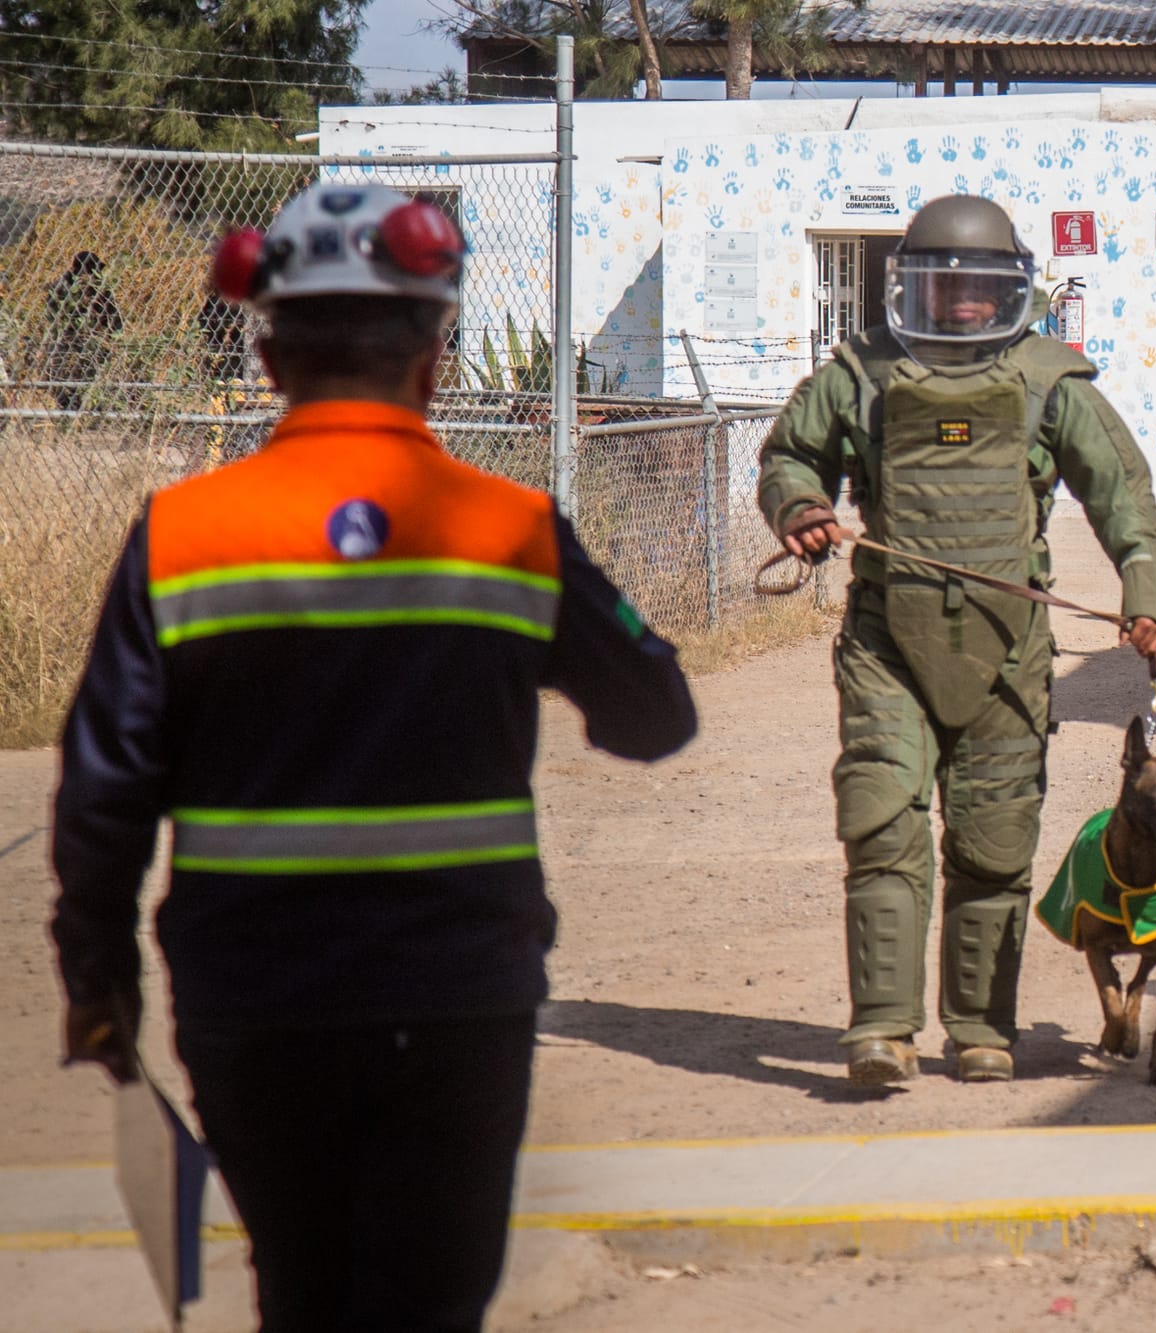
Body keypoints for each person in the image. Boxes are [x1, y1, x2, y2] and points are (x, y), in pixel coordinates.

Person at [50, 182, 697, 1330]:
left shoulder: (182, 536)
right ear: (433, 356)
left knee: (302, 1291)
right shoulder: (512, 533)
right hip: (457, 999)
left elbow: (105, 791)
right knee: (429, 1303)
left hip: (251, 1002)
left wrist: (97, 972)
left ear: (267, 356)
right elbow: (656, 717)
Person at [758, 194, 1156, 1086]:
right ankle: (880, 1029)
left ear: (1009, 290)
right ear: (909, 285)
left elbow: (1126, 501)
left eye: (976, 286)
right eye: (939, 283)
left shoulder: (1047, 378)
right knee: (881, 824)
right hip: (885, 637)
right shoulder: (859, 372)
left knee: (995, 842)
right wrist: (800, 506)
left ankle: (983, 1032)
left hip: (1008, 641)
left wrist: (1148, 598)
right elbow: (791, 454)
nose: (958, 300)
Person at [45, 249, 123, 411]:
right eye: (89, 271)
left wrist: (111, 337)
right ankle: (68, 404)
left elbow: (113, 317)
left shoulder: (100, 289)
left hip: (92, 341)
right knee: (63, 373)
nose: (91, 275)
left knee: (90, 371)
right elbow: (52, 311)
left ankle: (86, 403)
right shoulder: (63, 285)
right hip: (66, 339)